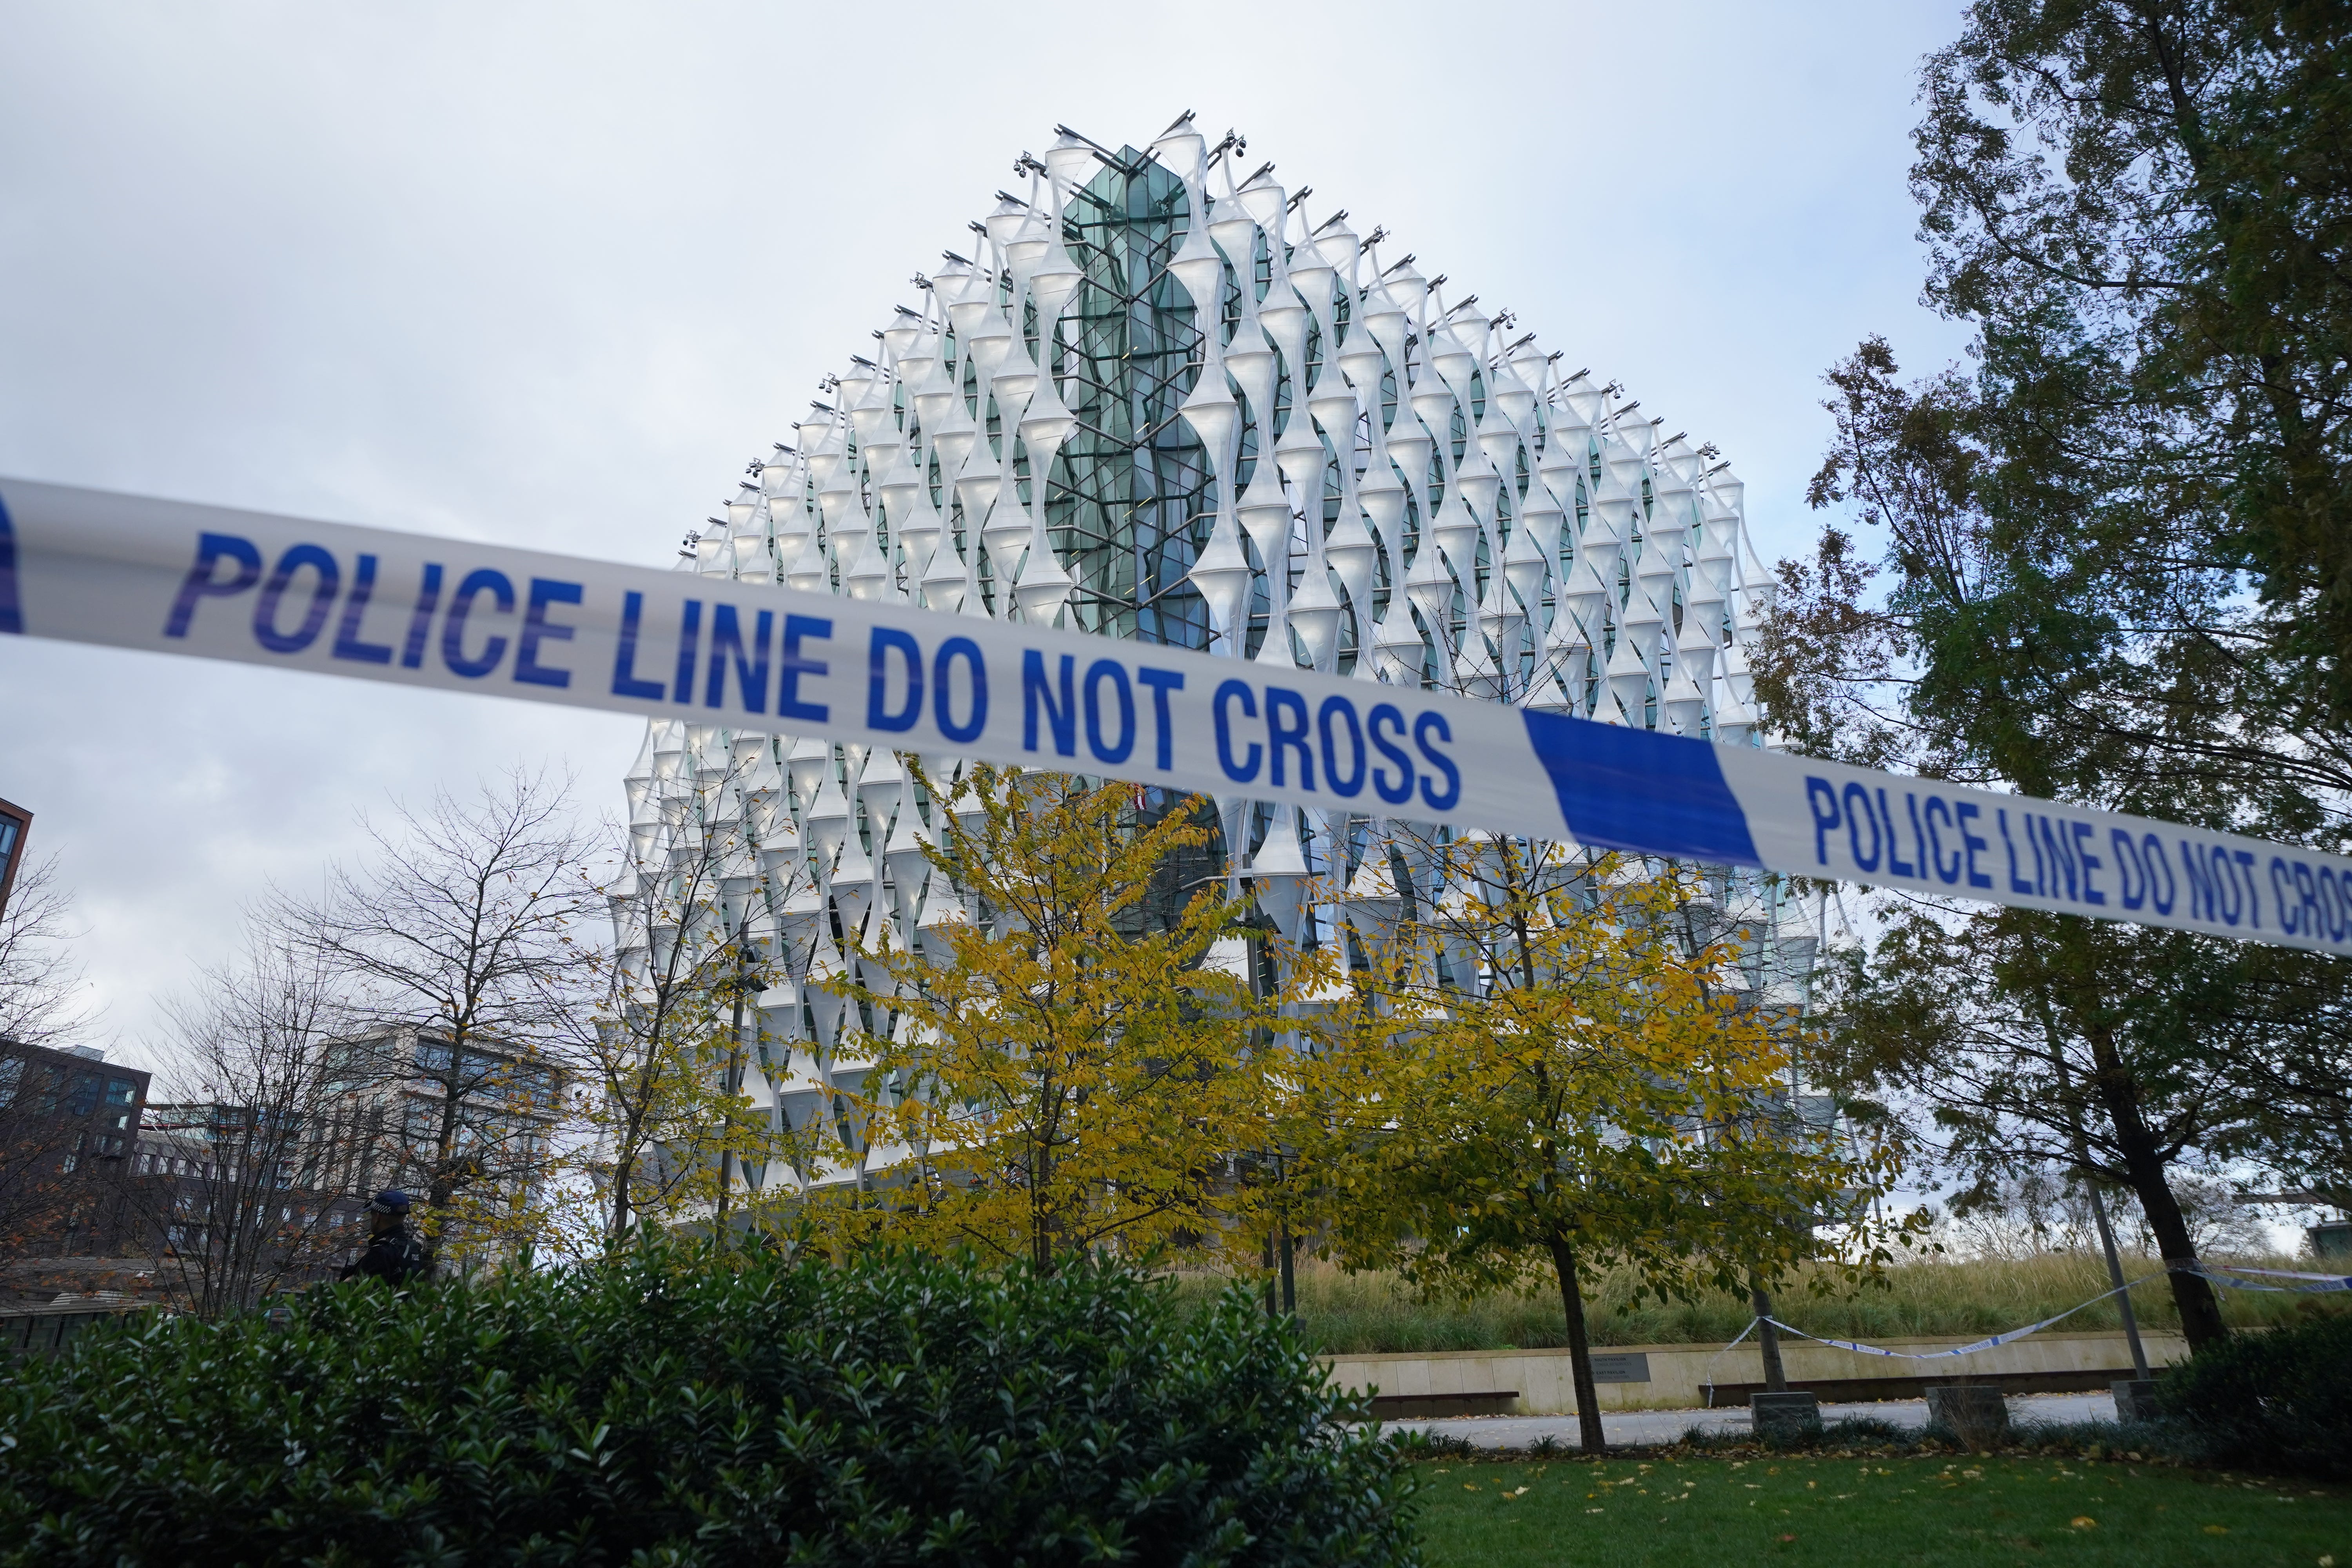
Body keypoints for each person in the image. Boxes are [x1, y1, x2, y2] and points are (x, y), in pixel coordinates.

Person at [339, 1189, 428, 1286]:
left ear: (377, 1217)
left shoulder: (380, 1252)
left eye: (372, 1215)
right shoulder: (414, 1248)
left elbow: (363, 1294)